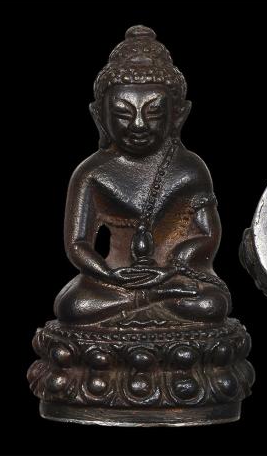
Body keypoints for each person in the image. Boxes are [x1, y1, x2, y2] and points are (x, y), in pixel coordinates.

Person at [54, 26, 231, 326]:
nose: (138, 124)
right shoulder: (91, 173)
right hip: (115, 280)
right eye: (123, 113)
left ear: (178, 115)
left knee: (210, 304)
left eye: (153, 112)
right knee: (73, 306)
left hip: (173, 276)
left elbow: (206, 235)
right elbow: (77, 244)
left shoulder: (190, 169)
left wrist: (171, 268)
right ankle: (144, 300)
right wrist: (110, 274)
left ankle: (147, 299)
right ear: (100, 116)